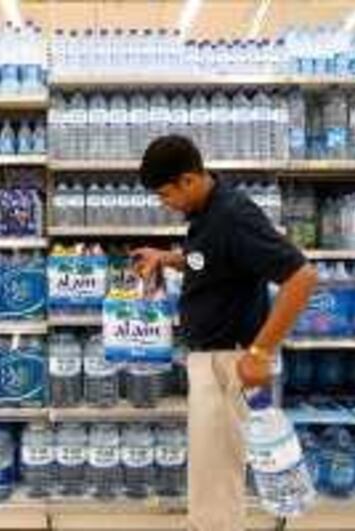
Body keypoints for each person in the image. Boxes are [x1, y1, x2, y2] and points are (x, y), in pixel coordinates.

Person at [131, 135, 318, 531]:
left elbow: (302, 277)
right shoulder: (206, 212)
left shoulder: (234, 214)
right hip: (210, 359)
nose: (164, 203)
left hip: (230, 361)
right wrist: (168, 258)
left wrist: (260, 353)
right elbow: (213, 260)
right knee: (209, 469)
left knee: (217, 473)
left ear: (187, 180)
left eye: (165, 194)